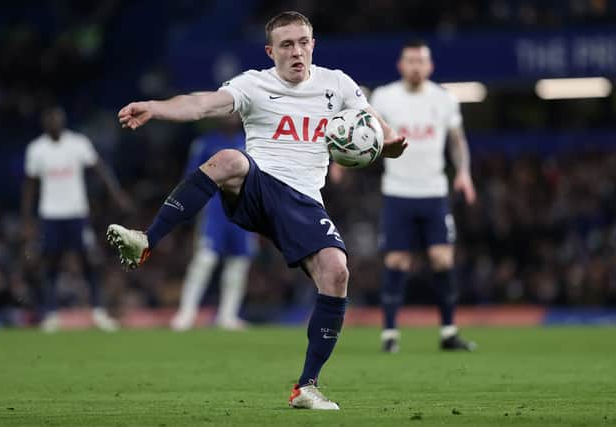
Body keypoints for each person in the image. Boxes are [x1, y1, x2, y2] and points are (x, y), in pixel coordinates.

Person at [106, 11, 406, 410]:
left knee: (337, 272)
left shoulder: (338, 84)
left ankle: (306, 387)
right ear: (271, 51)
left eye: (303, 42)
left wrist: (389, 140)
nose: (297, 51)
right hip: (260, 184)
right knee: (230, 158)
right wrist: (156, 108)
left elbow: (372, 123)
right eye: (286, 44)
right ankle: (145, 240)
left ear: (313, 45)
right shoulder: (254, 84)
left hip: (304, 202)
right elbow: (202, 104)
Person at [370, 40, 477, 353]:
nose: (416, 66)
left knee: (442, 259)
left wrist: (464, 173)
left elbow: (457, 141)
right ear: (400, 65)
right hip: (397, 192)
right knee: (396, 260)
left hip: (433, 192)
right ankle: (389, 335)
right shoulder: (384, 97)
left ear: (430, 67)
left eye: (421, 61)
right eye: (410, 60)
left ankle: (448, 332)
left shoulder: (444, 99)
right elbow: (367, 137)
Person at [22, 106, 132, 332]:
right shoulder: (37, 149)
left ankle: (98, 312)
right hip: (50, 214)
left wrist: (117, 195)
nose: (54, 122)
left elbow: (100, 169)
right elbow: (30, 187)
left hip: (77, 213)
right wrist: (27, 219)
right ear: (45, 123)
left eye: (57, 118)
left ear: (63, 120)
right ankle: (51, 314)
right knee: (50, 263)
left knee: (90, 261)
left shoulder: (78, 144)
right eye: (49, 119)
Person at [170, 114, 256, 331]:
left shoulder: (251, 142)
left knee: (239, 262)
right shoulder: (205, 143)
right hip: (214, 209)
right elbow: (191, 178)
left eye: (234, 113)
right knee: (205, 260)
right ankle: (186, 314)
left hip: (243, 208)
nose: (230, 117)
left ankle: (228, 316)